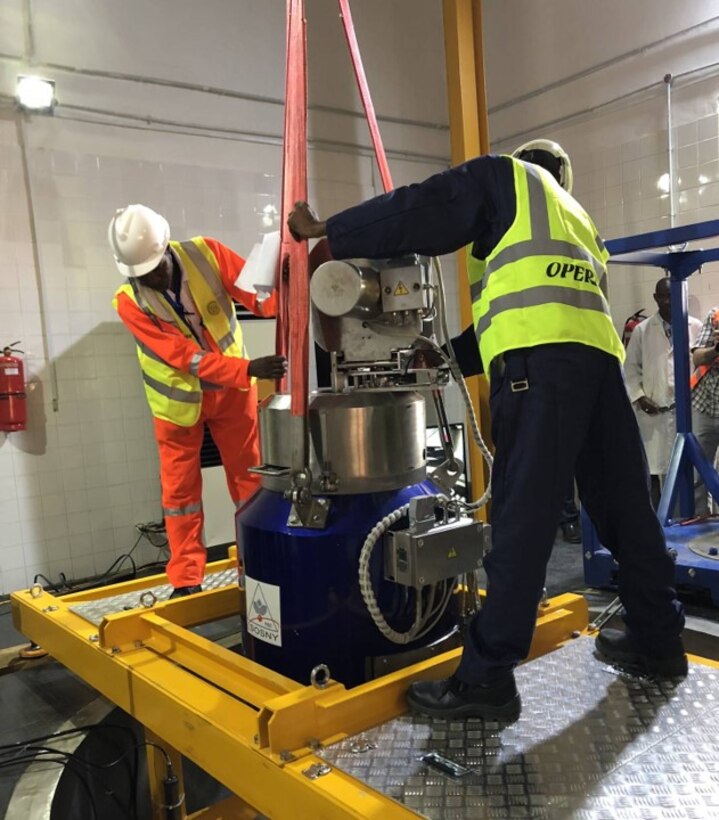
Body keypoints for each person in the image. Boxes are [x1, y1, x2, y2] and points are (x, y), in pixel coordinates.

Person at [288, 139, 686, 720]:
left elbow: (426, 207)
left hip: (538, 370)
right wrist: (445, 358)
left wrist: (329, 229)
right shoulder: (576, 219)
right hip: (595, 365)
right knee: (627, 509)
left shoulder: (508, 179)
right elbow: (530, 307)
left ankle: (487, 679)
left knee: (523, 517)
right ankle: (658, 640)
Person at [109, 204, 286, 598]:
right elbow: (181, 357)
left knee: (250, 481)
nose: (151, 279)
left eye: (155, 268)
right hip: (176, 406)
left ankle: (256, 562)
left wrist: (279, 283)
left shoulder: (207, 254)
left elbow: (261, 301)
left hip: (232, 396)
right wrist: (247, 370)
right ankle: (186, 577)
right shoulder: (128, 301)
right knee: (180, 496)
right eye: (141, 274)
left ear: (166, 249)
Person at [625, 277, 702, 508]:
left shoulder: (695, 326)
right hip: (656, 413)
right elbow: (630, 370)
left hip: (689, 411)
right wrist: (639, 397)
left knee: (694, 472)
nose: (669, 301)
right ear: (656, 298)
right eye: (664, 296)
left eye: (673, 295)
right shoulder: (642, 331)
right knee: (659, 473)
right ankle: (663, 528)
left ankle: (694, 521)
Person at [690, 305, 719, 515]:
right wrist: (716, 349)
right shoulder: (715, 314)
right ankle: (699, 521)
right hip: (705, 405)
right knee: (699, 471)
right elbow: (697, 357)